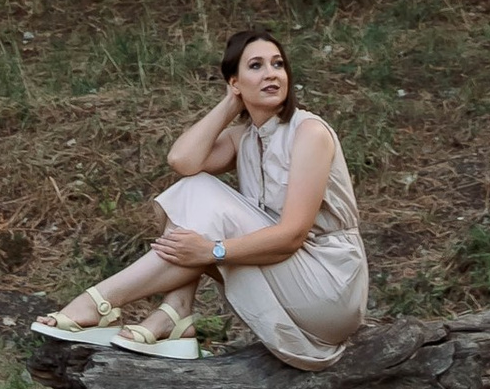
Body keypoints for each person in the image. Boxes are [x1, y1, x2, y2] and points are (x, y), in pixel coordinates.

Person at [32, 26, 369, 364]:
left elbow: (293, 235)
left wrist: (212, 251)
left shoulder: (309, 132)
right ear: (234, 83)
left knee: (200, 197)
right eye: (256, 66)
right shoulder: (246, 139)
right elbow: (183, 160)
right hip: (292, 280)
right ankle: (175, 311)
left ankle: (101, 302)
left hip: (329, 288)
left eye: (278, 64)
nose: (271, 74)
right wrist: (228, 104)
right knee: (191, 191)